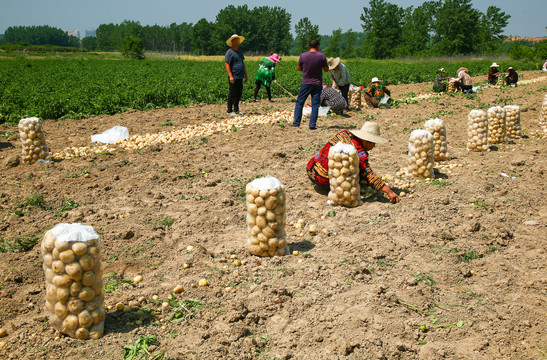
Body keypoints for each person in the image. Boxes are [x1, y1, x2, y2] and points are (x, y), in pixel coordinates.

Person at [307, 122, 401, 204]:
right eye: (374, 143)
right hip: (323, 179)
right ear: (366, 141)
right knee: (356, 173)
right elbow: (368, 174)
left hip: (311, 169)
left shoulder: (345, 133)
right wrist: (388, 191)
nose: (374, 146)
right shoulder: (357, 151)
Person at [292, 39, 329, 130]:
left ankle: (296, 123)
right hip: (317, 84)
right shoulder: (322, 56)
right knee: (315, 104)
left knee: (300, 103)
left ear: (309, 47)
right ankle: (312, 125)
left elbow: (299, 68)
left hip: (306, 83)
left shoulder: (303, 55)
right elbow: (326, 69)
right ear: (318, 46)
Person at [224, 34, 248, 115]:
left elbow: (242, 63)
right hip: (234, 76)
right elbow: (227, 64)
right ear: (232, 42)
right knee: (232, 93)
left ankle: (236, 109)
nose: (237, 42)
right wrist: (231, 76)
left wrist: (246, 74)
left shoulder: (239, 52)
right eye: (235, 40)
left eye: (238, 40)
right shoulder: (229, 52)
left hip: (240, 76)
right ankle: (229, 110)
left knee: (239, 93)